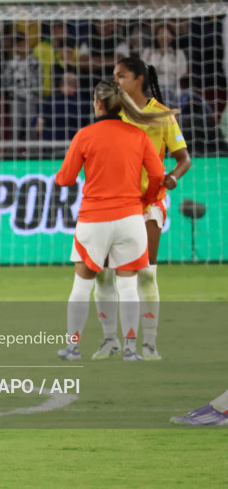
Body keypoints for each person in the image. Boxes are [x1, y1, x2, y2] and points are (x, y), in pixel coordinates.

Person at [55, 79, 173, 362]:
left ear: (98, 103)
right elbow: (158, 174)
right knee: (128, 285)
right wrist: (144, 199)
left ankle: (73, 347)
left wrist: (62, 175)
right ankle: (131, 350)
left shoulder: (85, 135)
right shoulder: (138, 136)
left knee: (82, 285)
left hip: (94, 220)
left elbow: (66, 178)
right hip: (131, 219)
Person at [90, 59, 191, 361]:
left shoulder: (161, 115)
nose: (116, 81)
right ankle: (110, 340)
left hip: (149, 202)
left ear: (139, 79)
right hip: (115, 202)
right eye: (114, 76)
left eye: (121, 76)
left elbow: (183, 158)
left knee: (146, 274)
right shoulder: (113, 115)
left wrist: (172, 176)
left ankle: (150, 343)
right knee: (104, 274)